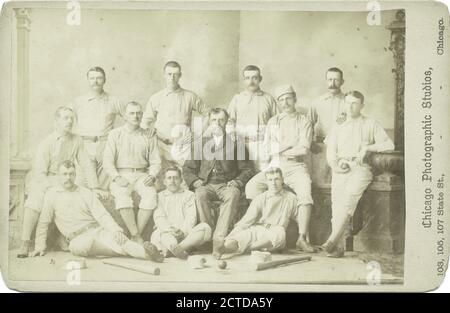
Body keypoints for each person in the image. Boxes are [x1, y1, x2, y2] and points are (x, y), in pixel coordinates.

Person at [31, 160, 163, 263]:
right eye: (64, 174)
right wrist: (39, 247)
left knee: (120, 239)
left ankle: (149, 255)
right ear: (58, 176)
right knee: (80, 246)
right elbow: (43, 222)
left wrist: (116, 230)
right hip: (77, 239)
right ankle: (129, 252)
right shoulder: (52, 195)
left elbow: (102, 215)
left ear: (75, 175)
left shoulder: (85, 192)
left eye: (71, 174)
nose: (68, 178)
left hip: (97, 230)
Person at [18, 106, 103, 258]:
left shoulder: (77, 140)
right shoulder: (47, 142)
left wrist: (95, 187)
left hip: (65, 178)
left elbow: (86, 164)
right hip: (45, 178)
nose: (69, 121)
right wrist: (52, 187)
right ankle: (25, 241)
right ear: (56, 121)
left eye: (72, 118)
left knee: (78, 194)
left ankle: (62, 236)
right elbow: (40, 172)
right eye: (65, 118)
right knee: (36, 200)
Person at [322, 91, 394, 257]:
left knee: (349, 199)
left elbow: (389, 144)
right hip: (340, 167)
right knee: (336, 205)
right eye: (347, 103)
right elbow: (331, 151)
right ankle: (338, 248)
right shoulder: (338, 125)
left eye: (354, 103)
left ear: (362, 105)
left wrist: (368, 148)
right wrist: (335, 165)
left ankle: (331, 240)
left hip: (361, 168)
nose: (350, 106)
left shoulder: (370, 123)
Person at [245, 85, 316, 252]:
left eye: (288, 98)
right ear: (278, 103)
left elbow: (304, 149)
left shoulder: (304, 121)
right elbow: (266, 150)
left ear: (295, 99)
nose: (285, 102)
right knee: (252, 187)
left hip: (296, 166)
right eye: (281, 100)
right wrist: (290, 145)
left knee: (305, 194)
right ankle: (263, 227)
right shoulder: (273, 121)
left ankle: (302, 238)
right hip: (275, 165)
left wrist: (279, 148)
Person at [183, 108, 254, 259]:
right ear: (209, 121)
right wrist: (195, 181)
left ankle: (218, 240)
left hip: (226, 185)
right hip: (206, 185)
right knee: (200, 194)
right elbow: (188, 168)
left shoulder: (236, 144)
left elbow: (247, 169)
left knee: (234, 194)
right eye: (214, 120)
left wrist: (237, 181)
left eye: (221, 120)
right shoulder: (199, 144)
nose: (217, 123)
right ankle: (207, 236)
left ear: (226, 121)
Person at [103, 101, 161, 243]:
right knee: (122, 196)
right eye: (132, 113)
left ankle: (136, 235)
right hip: (121, 174)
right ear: (125, 116)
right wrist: (116, 177)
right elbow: (107, 161)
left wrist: (152, 175)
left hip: (142, 175)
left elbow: (156, 162)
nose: (135, 116)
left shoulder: (148, 135)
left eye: (138, 113)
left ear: (142, 115)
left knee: (151, 196)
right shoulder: (115, 134)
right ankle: (136, 234)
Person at [141, 61, 208, 169]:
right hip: (160, 147)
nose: (172, 78)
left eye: (175, 74)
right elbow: (144, 124)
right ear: (164, 75)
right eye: (169, 74)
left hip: (182, 147)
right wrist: (151, 132)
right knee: (161, 181)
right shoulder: (156, 97)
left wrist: (196, 134)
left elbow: (208, 114)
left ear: (180, 75)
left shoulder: (190, 96)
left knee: (185, 180)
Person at [222, 168, 303, 256]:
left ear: (282, 180)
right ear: (266, 182)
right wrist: (229, 237)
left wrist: (304, 240)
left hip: (275, 230)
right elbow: (246, 221)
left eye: (277, 179)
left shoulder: (291, 198)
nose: (273, 183)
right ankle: (223, 249)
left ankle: (247, 249)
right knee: (233, 241)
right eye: (270, 180)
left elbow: (300, 220)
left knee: (280, 234)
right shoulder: (260, 198)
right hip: (258, 229)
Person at [70, 66, 126, 190]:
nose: (95, 81)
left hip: (105, 145)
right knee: (81, 184)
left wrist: (119, 137)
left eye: (99, 78)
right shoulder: (78, 102)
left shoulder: (114, 101)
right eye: (92, 78)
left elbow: (131, 118)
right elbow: (65, 121)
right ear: (88, 80)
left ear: (104, 80)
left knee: (102, 187)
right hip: (84, 146)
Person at [151, 167, 212, 259]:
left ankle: (176, 250)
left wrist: (183, 232)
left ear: (181, 180)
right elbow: (159, 217)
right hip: (168, 233)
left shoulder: (189, 195)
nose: (172, 181)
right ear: (164, 182)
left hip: (185, 235)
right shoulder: (159, 196)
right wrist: (170, 230)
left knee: (205, 227)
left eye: (175, 178)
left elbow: (191, 217)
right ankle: (174, 248)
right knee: (160, 234)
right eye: (169, 178)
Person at [227, 65, 278, 171]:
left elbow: (276, 123)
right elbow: (229, 122)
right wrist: (233, 138)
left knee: (263, 177)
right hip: (242, 147)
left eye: (255, 77)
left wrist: (271, 144)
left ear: (260, 79)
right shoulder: (237, 99)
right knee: (243, 175)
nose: (251, 81)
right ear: (244, 80)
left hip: (262, 146)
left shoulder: (268, 99)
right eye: (248, 78)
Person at [307, 67, 346, 185]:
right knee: (321, 178)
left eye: (336, 80)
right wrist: (310, 142)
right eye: (330, 80)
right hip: (321, 146)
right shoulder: (317, 102)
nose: (332, 84)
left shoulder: (348, 102)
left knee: (340, 178)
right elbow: (309, 124)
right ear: (326, 81)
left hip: (342, 147)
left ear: (342, 82)